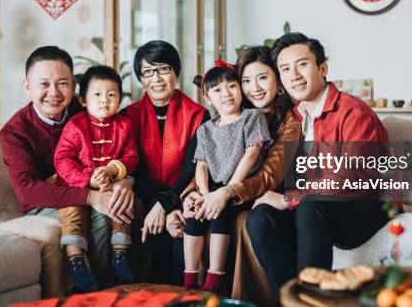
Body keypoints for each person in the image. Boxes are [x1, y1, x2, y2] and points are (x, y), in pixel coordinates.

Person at [246, 33, 389, 294]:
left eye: (302, 64)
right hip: (316, 211)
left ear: (322, 68)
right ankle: (291, 298)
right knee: (260, 218)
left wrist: (290, 199)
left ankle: (313, 299)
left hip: (364, 209)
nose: (294, 75)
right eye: (285, 69)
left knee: (310, 206)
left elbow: (356, 175)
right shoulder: (295, 118)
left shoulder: (354, 112)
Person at [0, 46, 136, 291]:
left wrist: (123, 180)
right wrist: (91, 196)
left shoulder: (86, 107)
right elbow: (28, 191)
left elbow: (120, 144)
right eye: (44, 84)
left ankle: (135, 287)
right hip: (45, 201)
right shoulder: (14, 132)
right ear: (27, 87)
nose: (54, 93)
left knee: (128, 204)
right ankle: (91, 291)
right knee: (103, 215)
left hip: (97, 183)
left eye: (62, 83)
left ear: (74, 87)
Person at [179, 46, 301, 302]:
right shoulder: (221, 122)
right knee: (192, 218)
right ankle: (192, 287)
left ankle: (241, 293)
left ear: (278, 81)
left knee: (237, 219)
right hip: (221, 190)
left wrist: (225, 193)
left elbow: (269, 175)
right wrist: (194, 194)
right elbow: (205, 163)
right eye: (246, 80)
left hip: (264, 196)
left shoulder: (289, 122)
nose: (254, 87)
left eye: (263, 78)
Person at [122, 40, 209, 285]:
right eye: (148, 72)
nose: (157, 78)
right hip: (145, 198)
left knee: (178, 265)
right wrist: (159, 206)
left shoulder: (199, 115)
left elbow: (192, 168)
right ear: (140, 79)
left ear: (176, 73)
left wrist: (169, 205)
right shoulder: (127, 116)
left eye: (163, 69)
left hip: (184, 195)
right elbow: (134, 169)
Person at [182, 61, 272, 293]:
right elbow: (200, 165)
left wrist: (228, 191)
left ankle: (215, 276)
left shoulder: (252, 117)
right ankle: (190, 278)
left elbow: (252, 154)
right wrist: (204, 194)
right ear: (208, 98)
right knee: (195, 217)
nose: (227, 93)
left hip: (241, 187)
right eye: (218, 90)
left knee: (220, 214)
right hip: (212, 187)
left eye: (232, 86)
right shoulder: (205, 129)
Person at [53, 65, 139, 288]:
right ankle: (75, 260)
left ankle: (120, 254)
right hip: (76, 186)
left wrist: (113, 170)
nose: (105, 101)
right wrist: (87, 178)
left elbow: (131, 156)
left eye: (112, 95)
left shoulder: (124, 124)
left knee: (122, 205)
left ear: (120, 99)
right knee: (73, 213)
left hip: (110, 184)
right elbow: (62, 158)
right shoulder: (76, 125)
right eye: (97, 95)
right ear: (82, 99)